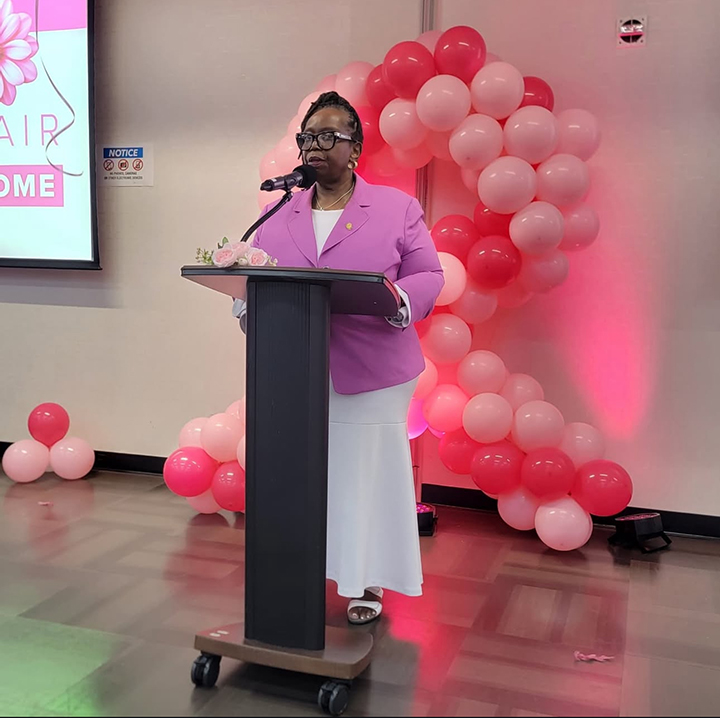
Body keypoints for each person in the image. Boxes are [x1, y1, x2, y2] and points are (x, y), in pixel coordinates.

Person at [233, 91, 443, 625]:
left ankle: (366, 580)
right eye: (308, 138)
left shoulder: (396, 207)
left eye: (329, 136)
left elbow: (428, 274)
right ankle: (301, 570)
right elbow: (258, 273)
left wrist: (398, 301)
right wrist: (244, 302)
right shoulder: (279, 211)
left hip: (374, 369)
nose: (316, 147)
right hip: (296, 365)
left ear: (356, 149)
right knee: (301, 475)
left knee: (363, 476)